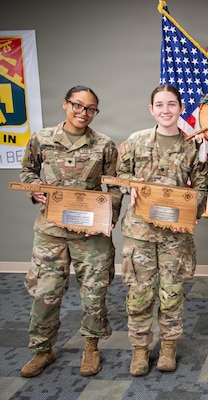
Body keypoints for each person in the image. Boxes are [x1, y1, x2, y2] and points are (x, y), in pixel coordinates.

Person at [19, 85, 122, 378]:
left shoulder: (104, 144)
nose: (83, 113)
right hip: (51, 230)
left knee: (94, 293)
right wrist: (34, 189)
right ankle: (42, 349)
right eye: (78, 105)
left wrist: (108, 219)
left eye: (90, 109)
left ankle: (91, 346)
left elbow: (114, 187)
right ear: (65, 104)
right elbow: (27, 171)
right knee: (46, 292)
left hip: (91, 233)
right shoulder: (41, 139)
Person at [116, 84, 208, 376]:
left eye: (171, 104)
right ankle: (140, 350)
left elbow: (203, 187)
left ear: (181, 108)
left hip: (175, 235)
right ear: (151, 109)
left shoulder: (192, 147)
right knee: (140, 293)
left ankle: (168, 345)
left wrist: (195, 210)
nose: (166, 110)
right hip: (140, 232)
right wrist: (129, 184)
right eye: (159, 105)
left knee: (172, 292)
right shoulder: (135, 141)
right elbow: (120, 174)